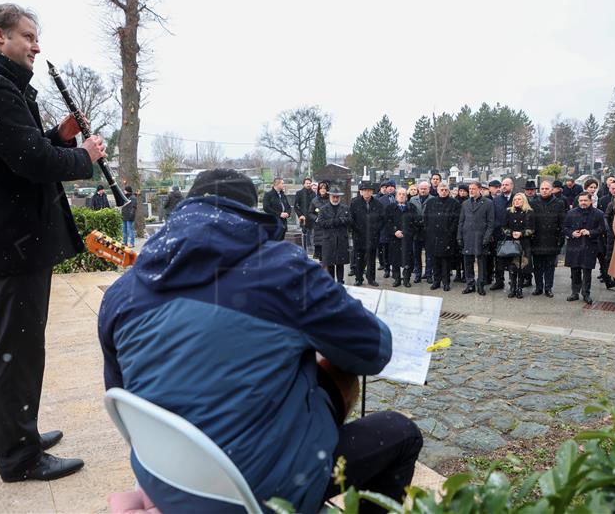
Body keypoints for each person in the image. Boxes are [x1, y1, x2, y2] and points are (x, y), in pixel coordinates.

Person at [97, 169, 422, 514]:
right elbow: (374, 351)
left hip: (166, 484)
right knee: (400, 433)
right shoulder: (282, 269)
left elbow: (123, 394)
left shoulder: (121, 293)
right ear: (250, 213)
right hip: (259, 492)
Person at [0, 3, 107, 482]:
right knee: (16, 350)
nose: (36, 46)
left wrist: (60, 134)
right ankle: (19, 456)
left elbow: (19, 146)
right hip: (12, 242)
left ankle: (22, 434)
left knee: (21, 347)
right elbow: (32, 161)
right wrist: (83, 155)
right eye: (28, 36)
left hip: (9, 240)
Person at [563, 193, 605, 305]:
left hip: (590, 245)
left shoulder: (598, 213)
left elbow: (602, 229)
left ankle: (586, 293)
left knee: (587, 271)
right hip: (575, 245)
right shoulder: (571, 213)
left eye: (585, 200)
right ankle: (575, 292)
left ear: (590, 201)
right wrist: (572, 233)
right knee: (575, 270)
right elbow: (565, 228)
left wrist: (590, 232)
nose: (583, 203)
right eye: (581, 200)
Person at [530, 181, 566, 297]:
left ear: (551, 190)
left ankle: (548, 287)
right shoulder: (534, 203)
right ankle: (539, 287)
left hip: (552, 239)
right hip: (537, 239)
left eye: (547, 188)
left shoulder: (559, 203)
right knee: (538, 266)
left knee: (550, 266)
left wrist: (560, 239)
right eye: (542, 189)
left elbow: (562, 222)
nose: (544, 191)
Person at [458, 182, 494, 295]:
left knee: (481, 263)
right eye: (470, 189)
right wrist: (459, 237)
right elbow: (461, 221)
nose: (471, 191)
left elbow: (490, 223)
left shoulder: (488, 203)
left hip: (481, 237)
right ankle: (470, 284)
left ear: (480, 190)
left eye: (474, 189)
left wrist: (486, 238)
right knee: (467, 262)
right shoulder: (465, 204)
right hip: (467, 236)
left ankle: (481, 285)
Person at [424, 183, 461, 291]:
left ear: (448, 191)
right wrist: (429, 230)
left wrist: (450, 232)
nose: (443, 192)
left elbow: (456, 220)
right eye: (442, 190)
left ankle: (446, 282)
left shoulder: (454, 203)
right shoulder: (431, 202)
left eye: (445, 190)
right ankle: (436, 281)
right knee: (435, 260)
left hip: (447, 237)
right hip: (433, 236)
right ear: (438, 191)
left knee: (446, 261)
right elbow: (426, 217)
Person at [350, 181, 384, 286]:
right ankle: (358, 278)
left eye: (369, 190)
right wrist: (356, 229)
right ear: (361, 192)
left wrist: (375, 229)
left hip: (373, 235)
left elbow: (382, 219)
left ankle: (371, 279)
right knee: (359, 258)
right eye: (364, 190)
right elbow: (351, 219)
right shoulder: (355, 203)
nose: (367, 193)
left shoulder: (378, 204)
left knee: (371, 259)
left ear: (372, 192)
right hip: (359, 235)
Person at [384, 187, 419, 287]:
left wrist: (406, 232)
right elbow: (387, 222)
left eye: (404, 194)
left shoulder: (411, 207)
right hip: (394, 238)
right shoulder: (390, 208)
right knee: (395, 260)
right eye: (399, 194)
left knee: (407, 259)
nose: (402, 196)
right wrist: (394, 231)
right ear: (396, 196)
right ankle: (397, 279)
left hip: (407, 238)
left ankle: (406, 280)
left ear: (406, 197)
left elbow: (415, 222)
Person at [315, 184, 351, 283]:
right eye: (333, 197)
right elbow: (321, 223)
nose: (335, 199)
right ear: (330, 196)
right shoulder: (323, 209)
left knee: (340, 263)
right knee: (330, 263)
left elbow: (350, 220)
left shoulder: (345, 208)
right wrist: (335, 222)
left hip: (341, 239)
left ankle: (340, 281)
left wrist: (341, 221)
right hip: (329, 239)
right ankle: (331, 282)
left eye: (337, 197)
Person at [502, 193, 535, 298]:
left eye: (519, 199)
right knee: (512, 267)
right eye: (515, 199)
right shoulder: (508, 211)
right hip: (511, 242)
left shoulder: (529, 212)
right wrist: (511, 233)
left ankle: (520, 288)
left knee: (522, 266)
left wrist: (522, 233)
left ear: (523, 200)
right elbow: (503, 227)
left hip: (524, 242)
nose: (516, 201)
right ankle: (512, 288)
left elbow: (532, 229)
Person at [490, 178, 514, 291]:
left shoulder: (517, 198)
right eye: (502, 184)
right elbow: (492, 217)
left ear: (512, 186)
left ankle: (513, 282)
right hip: (499, 234)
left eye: (506, 185)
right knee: (498, 260)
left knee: (513, 260)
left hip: (513, 235)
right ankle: (499, 281)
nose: (504, 186)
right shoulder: (496, 200)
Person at [409, 181, 432, 283]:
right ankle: (417, 274)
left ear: (429, 189)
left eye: (425, 188)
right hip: (416, 231)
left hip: (428, 231)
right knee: (416, 254)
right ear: (418, 189)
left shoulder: (433, 199)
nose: (423, 190)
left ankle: (428, 274)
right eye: (421, 188)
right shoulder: (413, 199)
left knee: (429, 255)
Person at [378, 179, 397, 277]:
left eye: (392, 186)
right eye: (388, 186)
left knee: (395, 251)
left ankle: (395, 270)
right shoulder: (381, 200)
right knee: (385, 251)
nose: (390, 188)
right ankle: (387, 269)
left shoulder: (399, 197)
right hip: (385, 229)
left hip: (396, 229)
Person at [309, 181, 330, 260]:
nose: (322, 190)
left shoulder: (330, 199)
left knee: (328, 249)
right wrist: (316, 218)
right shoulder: (314, 201)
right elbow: (310, 213)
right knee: (320, 251)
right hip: (318, 227)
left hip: (328, 225)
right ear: (318, 190)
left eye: (324, 188)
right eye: (321, 188)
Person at [294, 177, 316, 252]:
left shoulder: (313, 194)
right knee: (304, 234)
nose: (308, 185)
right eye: (307, 183)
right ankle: (305, 250)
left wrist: (316, 214)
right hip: (304, 217)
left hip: (312, 218)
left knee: (313, 234)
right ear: (303, 184)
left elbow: (316, 206)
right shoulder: (299, 193)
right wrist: (300, 215)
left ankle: (312, 250)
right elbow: (296, 206)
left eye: (310, 183)